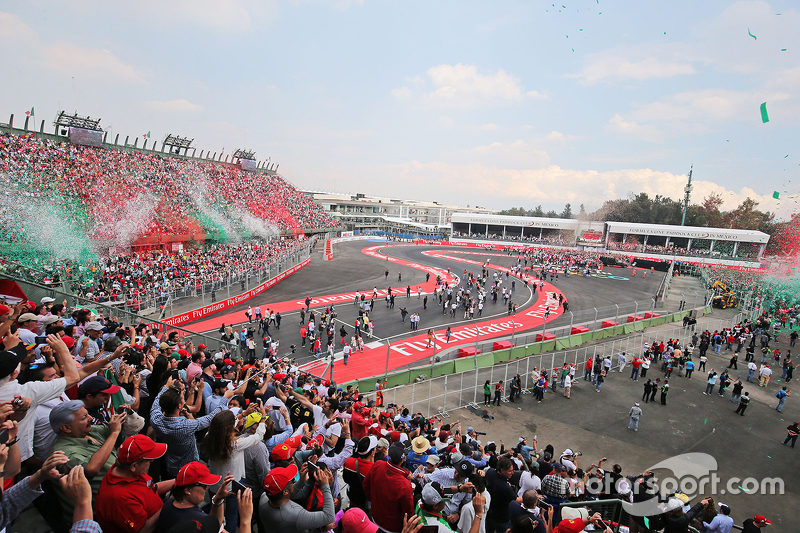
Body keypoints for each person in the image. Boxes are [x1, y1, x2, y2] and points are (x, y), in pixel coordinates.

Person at [48, 400, 126, 523]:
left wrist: (122, 416)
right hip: (97, 517)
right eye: (84, 417)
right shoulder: (62, 452)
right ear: (66, 428)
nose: (90, 418)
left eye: (88, 414)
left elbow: (116, 426)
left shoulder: (89, 431)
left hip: (120, 500)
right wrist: (114, 433)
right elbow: (91, 469)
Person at [95, 435, 175, 533]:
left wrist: (178, 480)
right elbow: (144, 529)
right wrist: (170, 503)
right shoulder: (119, 498)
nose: (152, 461)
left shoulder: (130, 472)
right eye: (149, 460)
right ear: (134, 465)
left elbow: (152, 488)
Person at [156, 462, 233, 533]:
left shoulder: (170, 502)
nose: (207, 488)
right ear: (188, 490)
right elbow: (215, 527)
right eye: (203, 485)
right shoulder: (196, 520)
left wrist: (218, 499)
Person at [259, 463, 335, 533]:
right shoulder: (296, 515)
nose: (294, 481)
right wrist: (325, 485)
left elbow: (285, 494)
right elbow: (329, 517)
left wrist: (301, 482)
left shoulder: (264, 497)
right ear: (285, 491)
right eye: (292, 481)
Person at [363, 443, 414, 533]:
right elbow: (408, 512)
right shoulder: (405, 485)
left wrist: (373, 500)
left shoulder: (378, 464)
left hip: (375, 517)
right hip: (392, 528)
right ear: (402, 460)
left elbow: (366, 485)